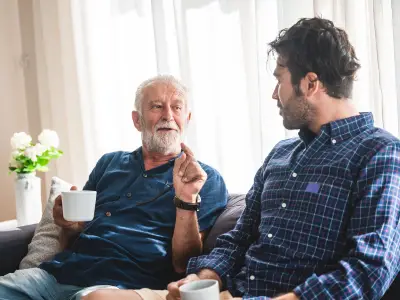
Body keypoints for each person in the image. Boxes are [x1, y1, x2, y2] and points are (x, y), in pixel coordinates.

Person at [86, 17, 400, 300]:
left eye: (280, 79)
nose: (274, 94)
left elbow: (369, 269)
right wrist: (202, 278)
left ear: (310, 84)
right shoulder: (281, 154)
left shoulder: (380, 154)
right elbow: (238, 239)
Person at [0, 75, 228, 300]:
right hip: (55, 276)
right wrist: (67, 225)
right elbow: (74, 235)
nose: (168, 115)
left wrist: (186, 199)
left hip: (120, 287)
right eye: (157, 106)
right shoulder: (109, 163)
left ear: (187, 118)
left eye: (176, 108)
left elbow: (183, 264)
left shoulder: (203, 179)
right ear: (137, 120)